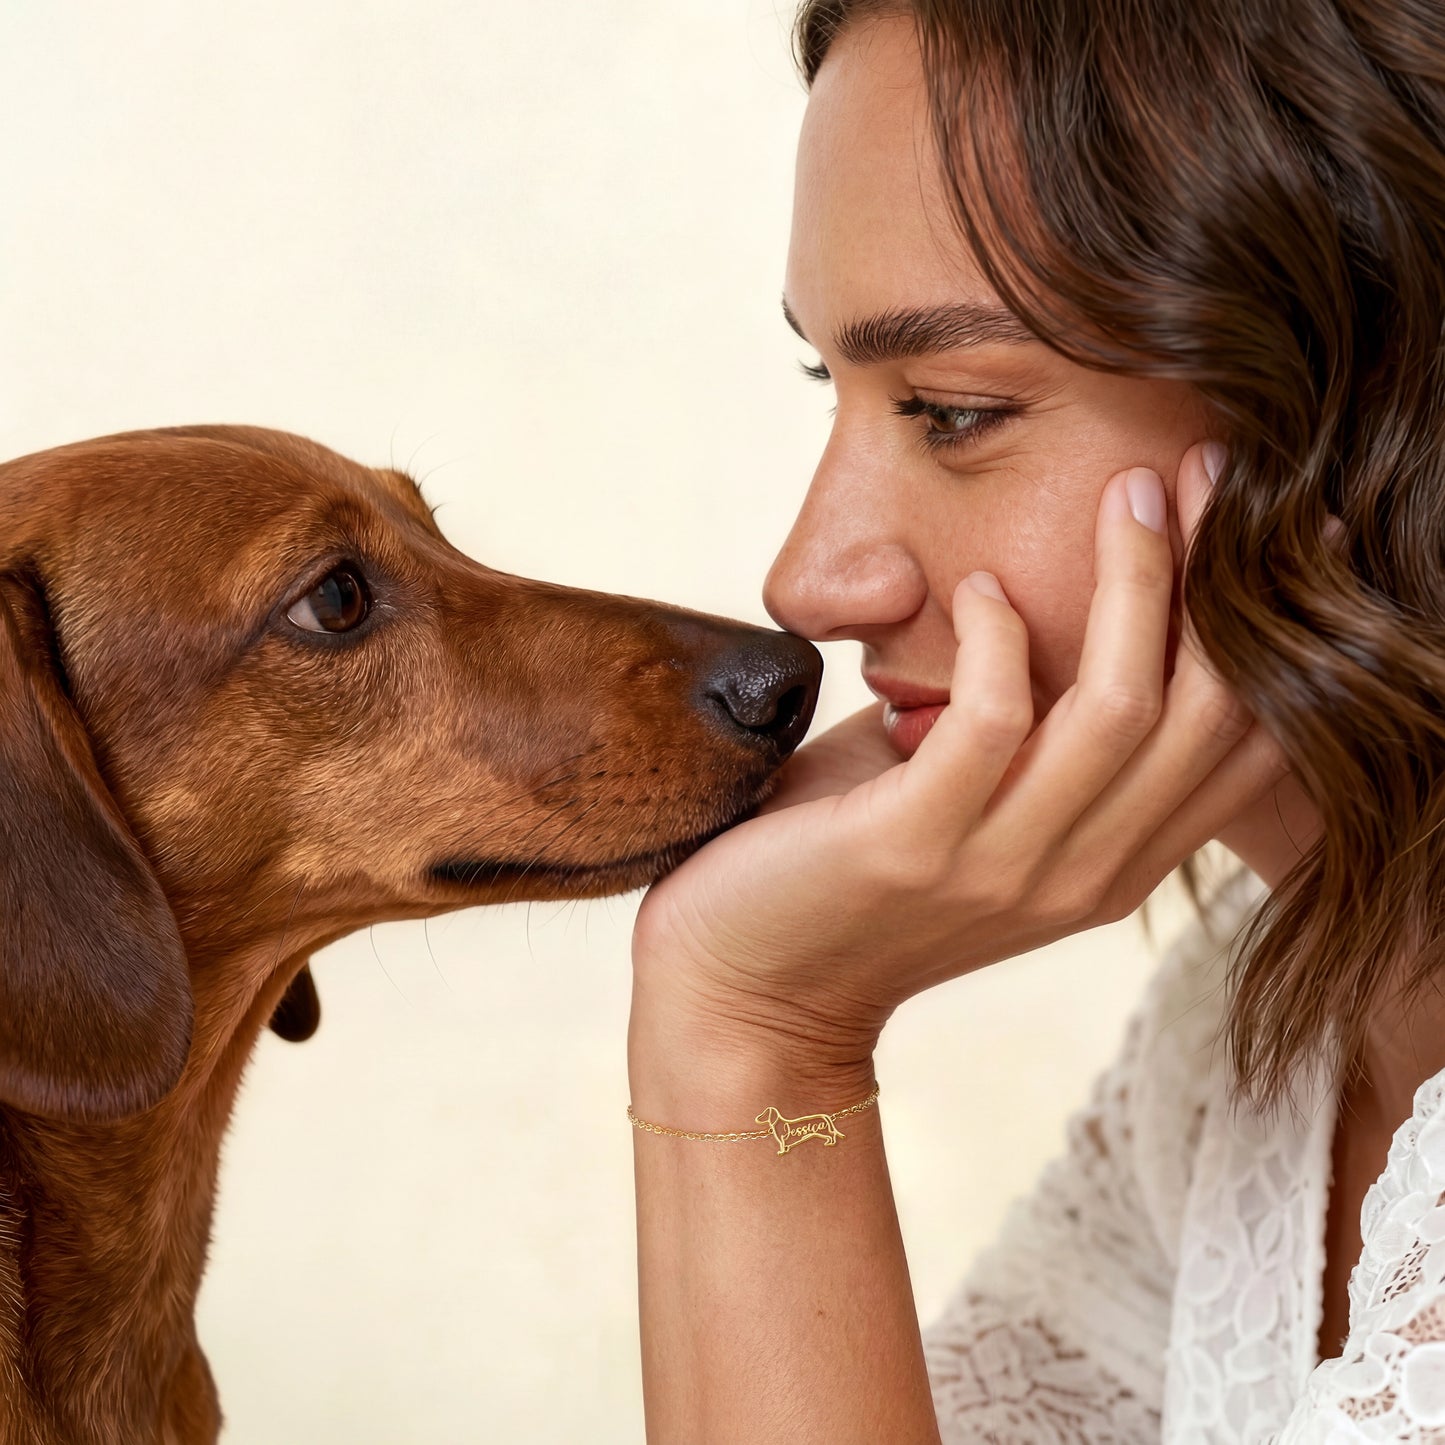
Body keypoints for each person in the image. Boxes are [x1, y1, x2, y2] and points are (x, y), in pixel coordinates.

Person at [625, 1, 1445, 1440]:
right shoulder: (1234, 1056)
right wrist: (736, 1019)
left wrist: (764, 1041)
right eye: (837, 385)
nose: (810, 581)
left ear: (1366, 396)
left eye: (948, 409)